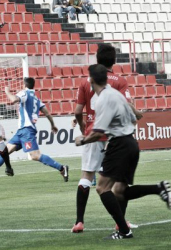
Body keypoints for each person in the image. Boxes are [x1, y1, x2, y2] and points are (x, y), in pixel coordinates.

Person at [75, 64, 171, 240]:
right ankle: (159, 188)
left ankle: (124, 230)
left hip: (119, 144)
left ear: (91, 80)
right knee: (120, 191)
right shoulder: (116, 94)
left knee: (101, 187)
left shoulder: (103, 99)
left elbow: (99, 132)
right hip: (131, 143)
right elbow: (134, 117)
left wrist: (82, 139)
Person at [71, 43, 143, 233]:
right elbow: (126, 106)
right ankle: (121, 222)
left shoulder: (87, 81)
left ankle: (79, 221)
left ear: (97, 59)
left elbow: (78, 111)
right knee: (120, 182)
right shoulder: (119, 81)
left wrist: (83, 129)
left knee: (86, 177)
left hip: (92, 133)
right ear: (115, 60)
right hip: (114, 136)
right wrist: (137, 114)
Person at [0, 77, 69, 182]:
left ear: (24, 85)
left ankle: (61, 168)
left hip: (26, 131)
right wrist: (53, 125)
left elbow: (14, 100)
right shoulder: (37, 99)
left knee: (35, 155)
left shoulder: (25, 93)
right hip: (22, 132)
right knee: (5, 152)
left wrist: (7, 92)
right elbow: (46, 112)